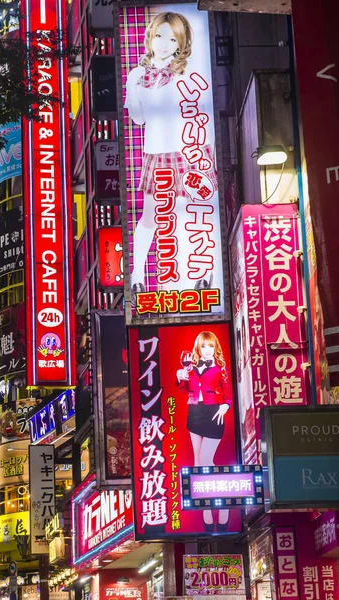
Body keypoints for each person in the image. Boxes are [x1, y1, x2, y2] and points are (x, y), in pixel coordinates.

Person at [124, 11, 217, 298]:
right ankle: (137, 274)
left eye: (172, 37)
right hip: (157, 151)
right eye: (159, 35)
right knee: (150, 215)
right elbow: (138, 119)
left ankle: (203, 273)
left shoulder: (188, 71)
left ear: (181, 42)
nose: (164, 43)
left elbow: (198, 109)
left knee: (194, 212)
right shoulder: (137, 74)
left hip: (190, 150)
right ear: (151, 36)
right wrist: (134, 91)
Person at [177, 331, 231, 532]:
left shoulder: (220, 368)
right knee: (197, 464)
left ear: (215, 347)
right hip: (194, 413)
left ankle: (225, 504)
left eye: (210, 346)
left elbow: (227, 393)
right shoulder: (190, 367)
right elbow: (184, 390)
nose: (207, 350)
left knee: (206, 460)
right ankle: (207, 518)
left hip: (213, 413)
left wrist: (226, 406)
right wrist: (179, 377)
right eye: (203, 346)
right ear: (198, 348)